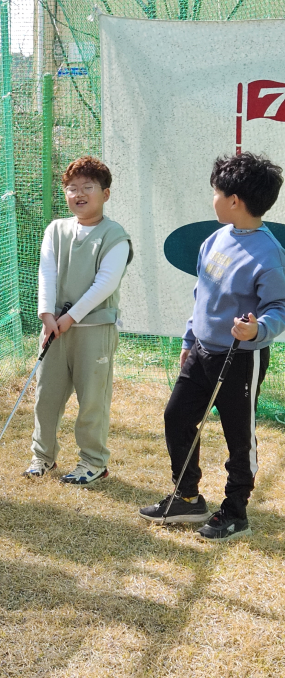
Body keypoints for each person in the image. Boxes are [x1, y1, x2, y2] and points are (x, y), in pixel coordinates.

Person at [139, 152, 285, 540]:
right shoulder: (216, 238)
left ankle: (235, 513)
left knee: (239, 437)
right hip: (201, 353)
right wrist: (189, 339)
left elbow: (279, 309)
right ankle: (187, 498)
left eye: (216, 192)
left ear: (235, 200)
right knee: (177, 416)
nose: (213, 199)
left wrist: (257, 331)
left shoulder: (269, 256)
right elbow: (201, 295)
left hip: (240, 360)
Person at [24, 156, 132, 485]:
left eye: (88, 188)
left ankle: (93, 461)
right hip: (56, 328)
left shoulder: (116, 235)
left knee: (92, 400)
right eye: (72, 188)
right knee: (47, 396)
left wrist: (70, 317)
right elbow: (47, 272)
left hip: (94, 331)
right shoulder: (56, 229)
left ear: (106, 194)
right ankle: (42, 457)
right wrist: (47, 316)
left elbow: (105, 285)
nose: (79, 194)